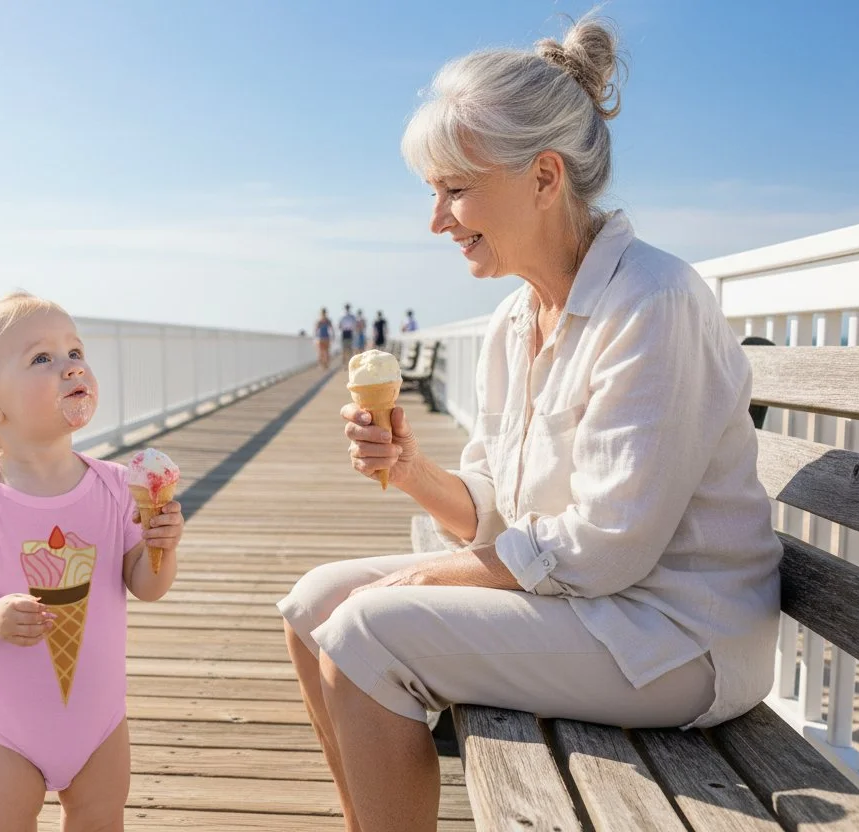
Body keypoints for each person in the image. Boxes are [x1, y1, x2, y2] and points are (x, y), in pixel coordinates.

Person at [277, 16, 781, 832]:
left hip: (681, 634)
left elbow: (607, 545)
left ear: (544, 177)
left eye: (455, 189)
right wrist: (411, 471)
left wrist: (433, 577)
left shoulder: (655, 302)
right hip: (591, 605)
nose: (438, 219)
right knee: (312, 605)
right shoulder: (521, 317)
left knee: (367, 628)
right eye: (432, 192)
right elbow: (502, 509)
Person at [0, 272, 187, 831]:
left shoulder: (117, 487)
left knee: (100, 820)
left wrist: (162, 549)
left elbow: (146, 586)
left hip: (99, 724)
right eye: (41, 359)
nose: (71, 366)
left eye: (74, 351)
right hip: (5, 730)